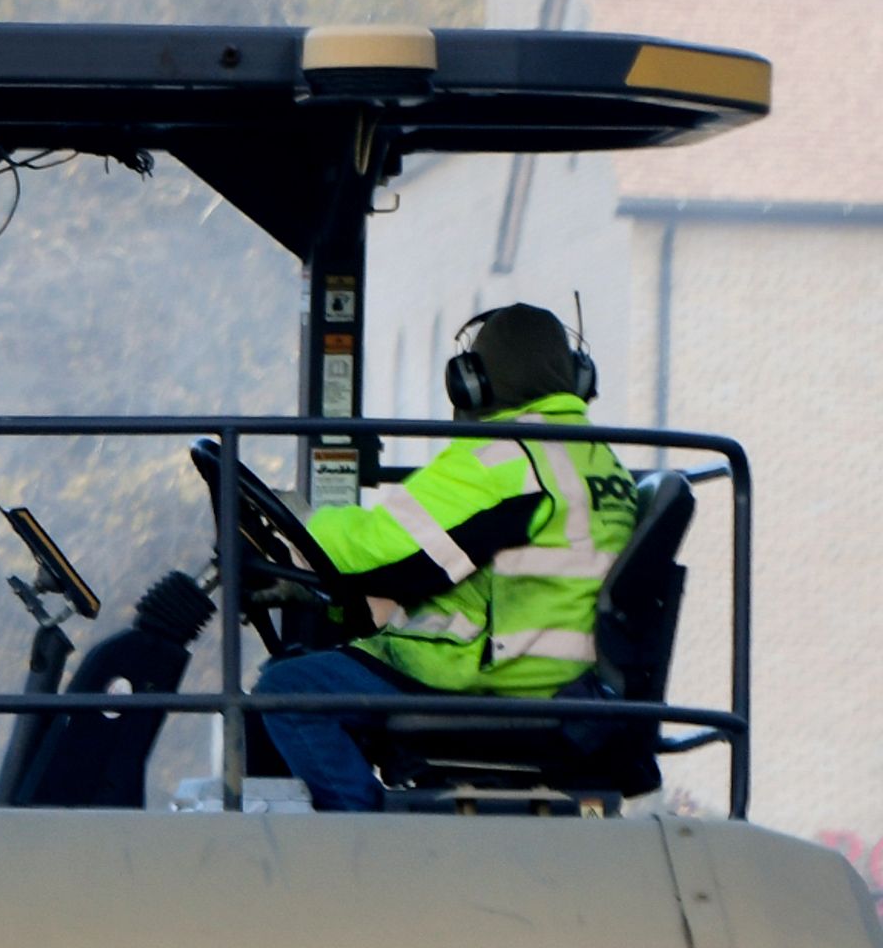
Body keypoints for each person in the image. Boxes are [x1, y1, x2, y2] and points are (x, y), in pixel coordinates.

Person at [253, 303, 635, 813]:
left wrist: (300, 527)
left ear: (474, 381)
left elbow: (374, 547)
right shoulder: (601, 460)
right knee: (329, 658)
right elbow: (436, 564)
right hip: (560, 673)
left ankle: (361, 849)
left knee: (288, 690)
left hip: (498, 677)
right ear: (577, 376)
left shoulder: (505, 454)